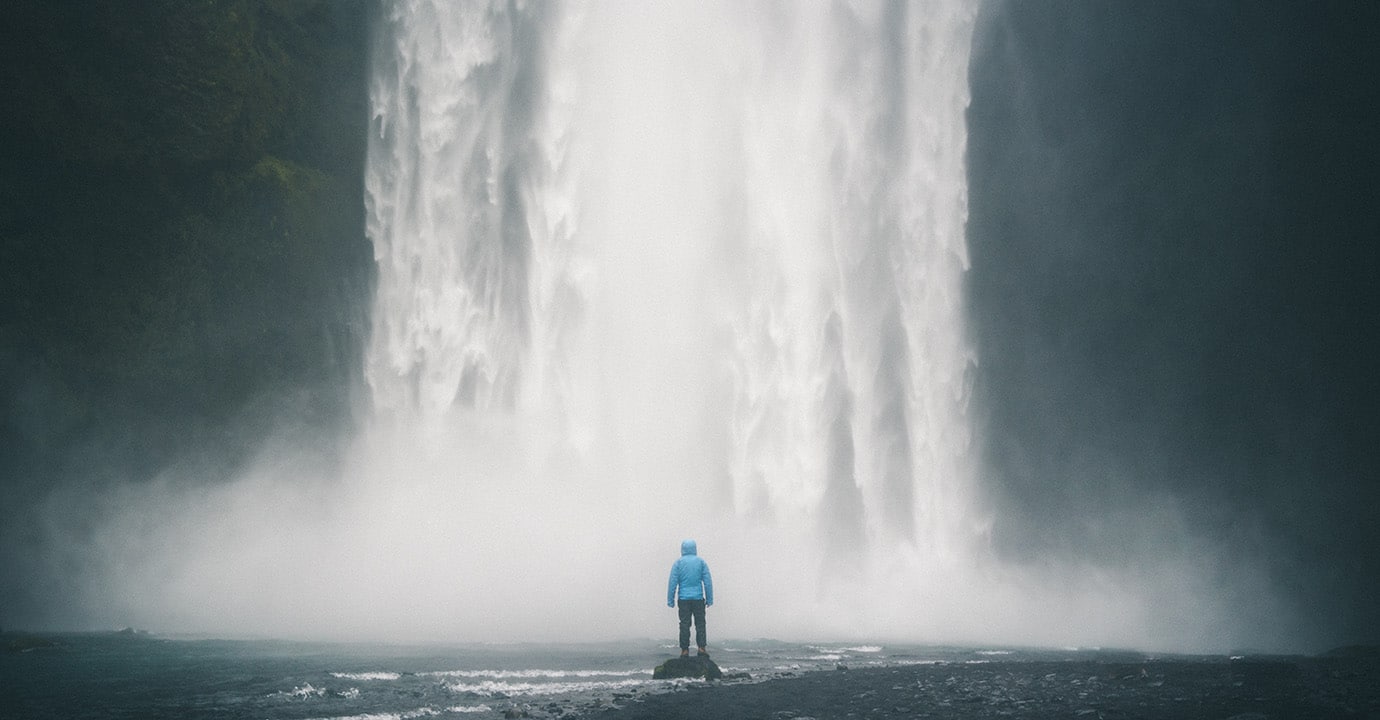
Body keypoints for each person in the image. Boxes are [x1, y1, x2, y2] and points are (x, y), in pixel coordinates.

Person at [666, 538, 714, 657]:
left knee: (684, 624)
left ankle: (684, 650)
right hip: (698, 598)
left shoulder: (678, 563)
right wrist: (709, 599)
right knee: (700, 624)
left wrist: (670, 600)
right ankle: (701, 648)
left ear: (682, 549)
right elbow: (707, 582)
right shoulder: (701, 562)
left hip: (683, 599)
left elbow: (672, 582)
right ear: (695, 548)